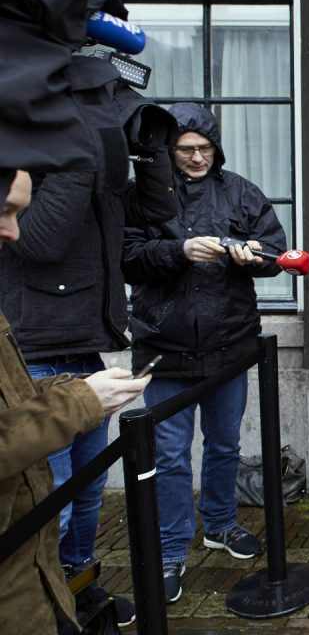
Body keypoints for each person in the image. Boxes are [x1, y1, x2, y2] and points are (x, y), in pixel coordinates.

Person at [0, 103, 175, 628]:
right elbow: (41, 240)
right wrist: (83, 154)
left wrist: (152, 150)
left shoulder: (94, 177)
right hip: (36, 351)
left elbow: (157, 211)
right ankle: (51, 594)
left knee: (88, 490)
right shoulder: (42, 172)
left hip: (83, 348)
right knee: (44, 500)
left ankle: (76, 586)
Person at [121, 103, 286, 604]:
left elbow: (275, 253)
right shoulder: (144, 199)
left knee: (223, 444)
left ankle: (220, 523)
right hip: (164, 348)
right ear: (169, 151)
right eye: (185, 149)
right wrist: (178, 252)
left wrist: (250, 256)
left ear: (217, 149)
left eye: (204, 149)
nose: (196, 157)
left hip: (229, 342)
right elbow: (126, 259)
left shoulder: (240, 191)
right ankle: (172, 549)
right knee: (169, 456)